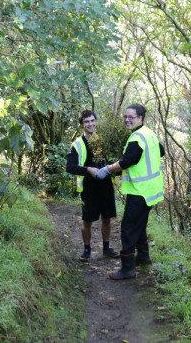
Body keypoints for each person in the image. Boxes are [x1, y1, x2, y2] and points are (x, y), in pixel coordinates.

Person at [96, 103, 165, 280]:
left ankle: (127, 269)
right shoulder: (149, 133)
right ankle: (143, 257)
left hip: (140, 191)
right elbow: (161, 151)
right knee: (139, 224)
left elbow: (127, 161)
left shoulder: (136, 138)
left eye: (131, 117)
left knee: (128, 227)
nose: (127, 120)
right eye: (125, 117)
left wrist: (107, 169)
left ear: (140, 118)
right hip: (151, 189)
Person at [66, 109, 119, 262]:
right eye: (86, 121)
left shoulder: (102, 140)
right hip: (89, 187)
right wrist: (88, 169)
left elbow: (108, 161)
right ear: (82, 125)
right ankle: (87, 250)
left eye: (92, 120)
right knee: (87, 220)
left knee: (107, 218)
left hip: (105, 185)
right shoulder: (77, 144)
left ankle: (107, 248)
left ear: (96, 122)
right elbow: (70, 167)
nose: (90, 124)